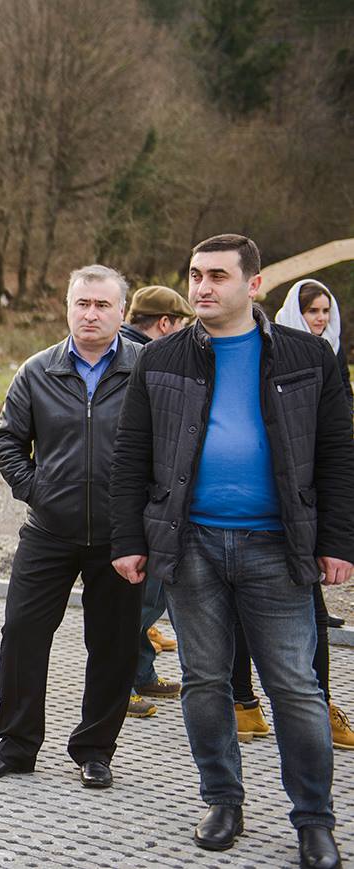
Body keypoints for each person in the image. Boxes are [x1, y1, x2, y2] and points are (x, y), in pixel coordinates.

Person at [111, 234, 354, 867]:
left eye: (217, 275)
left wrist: (338, 541)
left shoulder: (307, 356)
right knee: (204, 680)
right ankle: (222, 800)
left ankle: (314, 820)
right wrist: (128, 540)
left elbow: (337, 453)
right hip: (189, 544)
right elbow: (131, 455)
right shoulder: (160, 359)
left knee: (295, 687)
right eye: (195, 275)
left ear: (254, 284)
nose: (202, 287)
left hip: (279, 546)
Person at [0, 265, 142, 789]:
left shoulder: (145, 370)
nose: (91, 314)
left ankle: (95, 750)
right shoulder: (38, 370)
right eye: (82, 303)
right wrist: (37, 490)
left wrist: (144, 512)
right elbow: (6, 440)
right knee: (22, 634)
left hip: (120, 536)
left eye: (102, 305)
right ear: (67, 307)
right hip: (48, 531)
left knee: (113, 645)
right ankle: (16, 745)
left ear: (122, 312)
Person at [230, 278, 354, 750]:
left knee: (311, 615)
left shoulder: (329, 353)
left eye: (325, 310)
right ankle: (245, 701)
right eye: (311, 310)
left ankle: (316, 706)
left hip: (308, 503)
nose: (319, 318)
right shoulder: (272, 350)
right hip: (263, 506)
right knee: (253, 614)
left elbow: (336, 437)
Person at [118, 285, 196, 719]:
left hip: (155, 496)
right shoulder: (141, 359)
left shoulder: (136, 353)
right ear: (165, 323)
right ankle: (120, 685)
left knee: (152, 595)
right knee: (140, 600)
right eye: (181, 323)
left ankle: (142, 671)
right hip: (145, 497)